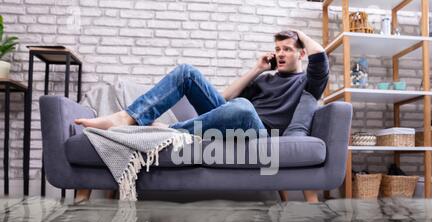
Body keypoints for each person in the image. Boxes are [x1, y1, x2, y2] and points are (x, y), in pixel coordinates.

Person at [75, 30, 329, 203]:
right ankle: (128, 118)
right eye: (277, 49)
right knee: (187, 72)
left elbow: (321, 58)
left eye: (287, 49)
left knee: (242, 107)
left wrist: (297, 32)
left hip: (259, 133)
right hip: (235, 119)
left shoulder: (308, 82)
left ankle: (169, 129)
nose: (281, 54)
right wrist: (257, 69)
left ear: (301, 53)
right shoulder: (265, 79)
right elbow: (225, 99)